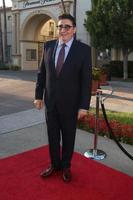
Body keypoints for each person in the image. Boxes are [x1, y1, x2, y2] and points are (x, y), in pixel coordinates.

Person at [34, 13, 92, 183]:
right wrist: (38, 96)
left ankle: (66, 166)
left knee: (68, 137)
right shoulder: (48, 46)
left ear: (74, 29)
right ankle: (55, 165)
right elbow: (41, 74)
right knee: (52, 136)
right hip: (51, 103)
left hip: (71, 105)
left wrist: (83, 106)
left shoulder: (84, 50)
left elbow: (86, 81)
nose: (63, 30)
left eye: (67, 26)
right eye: (60, 26)